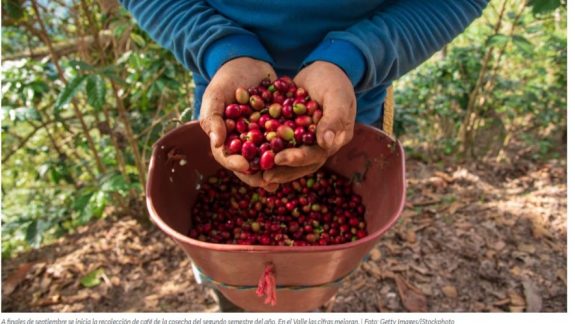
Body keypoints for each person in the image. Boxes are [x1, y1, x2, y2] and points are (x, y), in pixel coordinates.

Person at [119, 0, 488, 311]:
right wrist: (220, 49)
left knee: (313, 282)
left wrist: (351, 58)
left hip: (351, 114)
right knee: (235, 285)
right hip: (221, 92)